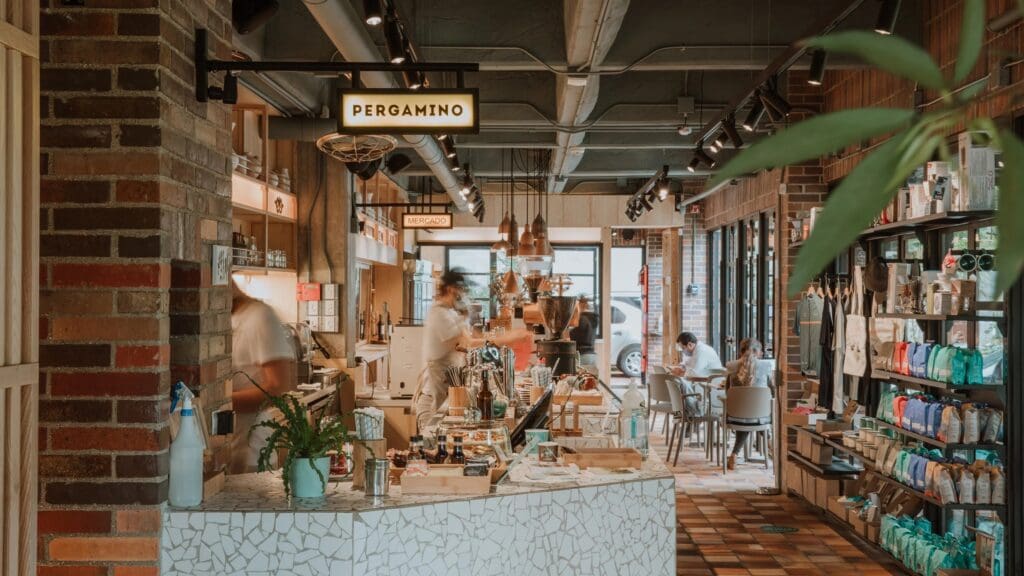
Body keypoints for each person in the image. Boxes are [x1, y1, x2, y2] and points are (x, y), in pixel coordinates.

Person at [413, 269, 530, 433]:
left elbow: (473, 338)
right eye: (461, 290)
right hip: (433, 402)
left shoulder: (450, 312)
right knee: (432, 444)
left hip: (447, 397)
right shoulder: (438, 314)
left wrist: (506, 337)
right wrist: (508, 338)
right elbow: (468, 343)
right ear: (451, 289)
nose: (463, 295)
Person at [229, 280, 296, 474]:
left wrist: (219, 404)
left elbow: (277, 388)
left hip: (252, 448)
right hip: (227, 444)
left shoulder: (260, 317)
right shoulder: (227, 318)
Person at [724, 338, 772, 470]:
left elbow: (727, 392)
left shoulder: (730, 366)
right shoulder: (766, 366)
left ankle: (734, 455)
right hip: (761, 418)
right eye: (761, 351)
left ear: (741, 352)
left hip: (735, 418)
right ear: (757, 352)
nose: (762, 353)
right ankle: (770, 443)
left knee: (745, 417)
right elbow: (772, 390)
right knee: (755, 416)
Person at [569, 295, 598, 372]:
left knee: (580, 379)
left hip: (582, 355)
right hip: (592, 355)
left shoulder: (582, 319)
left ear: (581, 304)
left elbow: (574, 336)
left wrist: (568, 332)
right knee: (591, 378)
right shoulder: (594, 318)